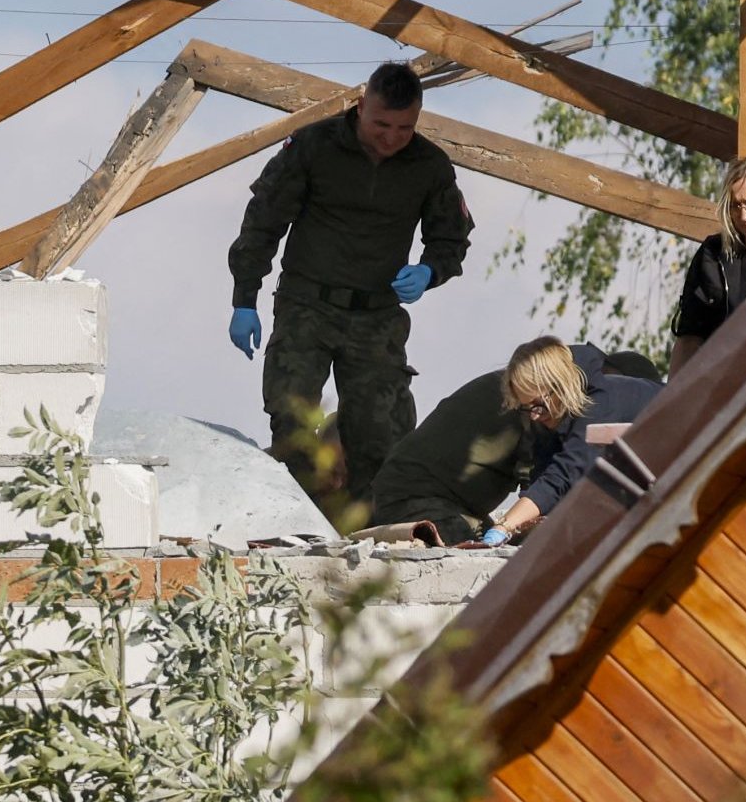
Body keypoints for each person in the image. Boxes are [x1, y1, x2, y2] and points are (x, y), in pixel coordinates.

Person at [226, 61, 474, 509]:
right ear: (361, 107)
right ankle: (293, 522)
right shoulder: (313, 147)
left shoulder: (430, 166)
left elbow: (451, 239)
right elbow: (263, 222)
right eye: (382, 123)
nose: (392, 137)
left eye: (405, 127)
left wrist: (429, 272)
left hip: (377, 317)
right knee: (293, 420)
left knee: (381, 435)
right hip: (307, 306)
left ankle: (373, 537)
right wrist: (245, 299)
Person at [362, 342, 662, 541]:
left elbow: (561, 478)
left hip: (431, 496)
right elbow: (554, 480)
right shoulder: (544, 404)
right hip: (419, 500)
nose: (533, 415)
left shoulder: (572, 395)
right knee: (486, 557)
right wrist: (507, 527)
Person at [484, 334, 665, 542]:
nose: (534, 415)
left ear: (561, 386)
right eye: (527, 408)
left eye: (538, 405)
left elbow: (565, 475)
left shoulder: (600, 403)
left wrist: (504, 525)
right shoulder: (551, 416)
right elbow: (543, 478)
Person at [672, 154, 746, 366]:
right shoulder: (712, 253)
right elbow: (688, 337)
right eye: (736, 206)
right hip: (717, 379)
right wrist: (672, 395)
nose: (744, 216)